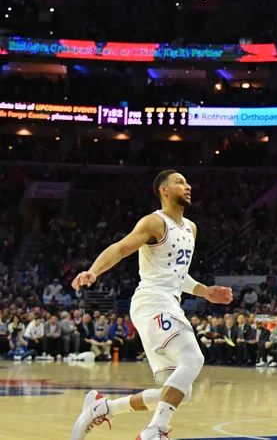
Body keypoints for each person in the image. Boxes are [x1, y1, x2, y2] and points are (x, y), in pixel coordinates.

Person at [70, 170, 233, 440]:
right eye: (180, 182)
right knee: (194, 358)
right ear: (164, 191)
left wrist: (205, 291)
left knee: (181, 390)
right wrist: (94, 271)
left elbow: (177, 275)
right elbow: (121, 248)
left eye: (187, 181)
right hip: (152, 301)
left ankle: (104, 407)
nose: (188, 186)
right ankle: (155, 430)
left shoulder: (191, 228)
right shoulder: (154, 222)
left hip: (169, 302)